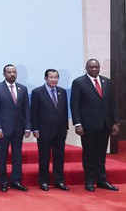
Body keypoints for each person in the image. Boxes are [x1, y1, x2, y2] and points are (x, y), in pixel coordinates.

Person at [71, 59, 120, 192]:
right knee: (89, 154)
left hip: (105, 125)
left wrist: (115, 122)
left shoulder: (107, 82)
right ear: (86, 68)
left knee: (101, 154)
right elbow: (74, 105)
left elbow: (112, 104)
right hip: (87, 126)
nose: (94, 69)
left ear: (99, 68)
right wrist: (78, 124)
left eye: (96, 67)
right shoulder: (79, 82)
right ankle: (89, 181)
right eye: (91, 67)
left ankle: (102, 180)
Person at [0, 64, 32, 192]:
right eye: (9, 72)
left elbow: (26, 109)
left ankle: (16, 181)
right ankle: (3, 182)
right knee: (2, 156)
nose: (12, 74)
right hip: (3, 129)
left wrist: (28, 127)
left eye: (14, 72)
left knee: (17, 156)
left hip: (19, 129)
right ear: (4, 74)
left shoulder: (23, 89)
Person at [31, 68, 70, 191]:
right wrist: (35, 129)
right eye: (51, 77)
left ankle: (59, 181)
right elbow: (34, 112)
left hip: (60, 131)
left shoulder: (62, 92)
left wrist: (66, 128)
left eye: (56, 77)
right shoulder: (37, 92)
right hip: (44, 131)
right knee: (44, 157)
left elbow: (64, 111)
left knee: (59, 156)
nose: (54, 80)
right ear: (45, 78)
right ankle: (44, 181)